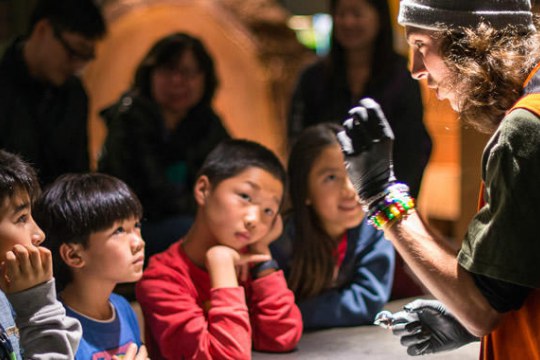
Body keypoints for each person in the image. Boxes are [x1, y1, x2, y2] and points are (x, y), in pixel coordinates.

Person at [337, 0, 540, 358]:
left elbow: (483, 311)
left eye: (420, 47)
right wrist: (467, 316)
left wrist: (381, 194)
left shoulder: (525, 127)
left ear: (466, 42)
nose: (415, 70)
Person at [136, 139, 303, 359]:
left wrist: (263, 255)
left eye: (268, 211)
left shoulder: (251, 262)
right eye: (245, 196)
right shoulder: (161, 280)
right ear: (203, 189)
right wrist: (222, 266)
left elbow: (282, 336)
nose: (254, 219)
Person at [98, 32, 230, 259]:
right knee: (191, 232)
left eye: (188, 73)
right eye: (169, 70)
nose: (177, 81)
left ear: (205, 78)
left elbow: (230, 171)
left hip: (194, 220)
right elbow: (150, 195)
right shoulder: (129, 119)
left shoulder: (208, 121)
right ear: (150, 74)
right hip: (137, 227)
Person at [288, 0, 432, 200]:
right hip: (324, 199)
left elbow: (413, 146)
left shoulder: (400, 76)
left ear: (379, 18)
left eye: (356, 14)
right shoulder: (313, 77)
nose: (348, 22)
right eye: (341, 14)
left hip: (385, 198)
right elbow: (299, 140)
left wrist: (392, 199)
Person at [270, 123, 394, 329]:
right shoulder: (281, 240)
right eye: (331, 177)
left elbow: (368, 298)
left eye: (354, 173)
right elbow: (269, 309)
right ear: (305, 191)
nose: (348, 190)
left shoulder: (375, 230)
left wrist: (296, 312)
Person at [34, 173, 148, 359]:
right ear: (74, 255)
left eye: (136, 225)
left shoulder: (123, 308)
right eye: (119, 231)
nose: (138, 242)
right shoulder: (56, 327)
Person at [0, 0, 106, 186]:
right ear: (43, 29)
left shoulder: (75, 94)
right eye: (72, 52)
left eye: (85, 58)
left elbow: (78, 170)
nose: (76, 66)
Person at [0, 149, 82, 359]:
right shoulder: (25, 297)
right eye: (21, 218)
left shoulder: (9, 292)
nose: (39, 235)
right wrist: (37, 307)